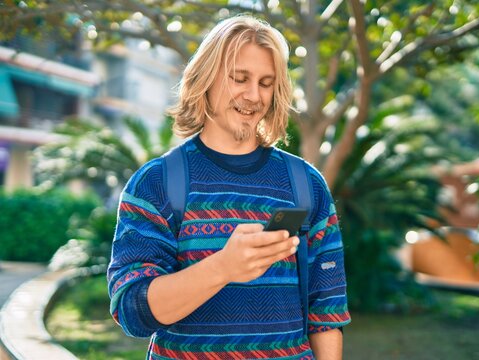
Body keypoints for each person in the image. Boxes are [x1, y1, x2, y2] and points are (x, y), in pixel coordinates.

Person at [107, 15, 350, 359]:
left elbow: (326, 312)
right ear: (205, 78)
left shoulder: (305, 184)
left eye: (266, 83)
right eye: (240, 78)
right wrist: (223, 267)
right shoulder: (157, 184)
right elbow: (132, 311)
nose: (253, 96)